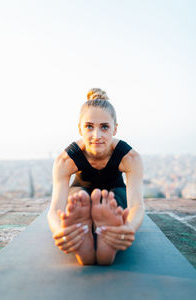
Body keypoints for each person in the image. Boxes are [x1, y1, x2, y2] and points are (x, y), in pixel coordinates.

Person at [47, 88, 145, 265]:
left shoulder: (130, 158)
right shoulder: (65, 160)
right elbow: (54, 210)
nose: (96, 136)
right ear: (80, 129)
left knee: (113, 200)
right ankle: (82, 235)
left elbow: (137, 205)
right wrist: (61, 231)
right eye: (89, 127)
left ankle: (107, 235)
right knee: (78, 198)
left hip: (114, 194)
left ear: (115, 129)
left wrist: (127, 228)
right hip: (81, 195)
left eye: (104, 127)